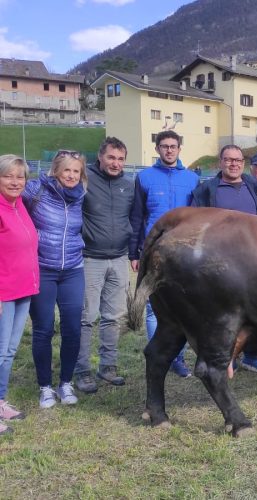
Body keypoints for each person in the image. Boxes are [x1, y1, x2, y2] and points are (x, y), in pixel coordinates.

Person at [191, 145, 257, 373]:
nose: (233, 164)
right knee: (221, 313)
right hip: (218, 261)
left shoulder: (254, 187)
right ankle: (223, 357)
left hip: (252, 261)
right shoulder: (207, 190)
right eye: (228, 160)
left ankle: (253, 355)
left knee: (253, 310)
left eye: (237, 160)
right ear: (220, 162)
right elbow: (196, 225)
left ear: (243, 163)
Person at [129, 130, 199, 378]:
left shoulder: (192, 179)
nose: (169, 150)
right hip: (153, 249)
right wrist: (134, 252)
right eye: (164, 146)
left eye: (173, 146)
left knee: (181, 306)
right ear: (157, 149)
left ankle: (177, 358)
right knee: (153, 307)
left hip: (182, 252)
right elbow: (137, 217)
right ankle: (159, 355)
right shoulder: (144, 177)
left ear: (180, 149)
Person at [24, 150, 87, 408]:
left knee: (73, 328)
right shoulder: (35, 190)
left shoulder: (81, 196)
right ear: (55, 170)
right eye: (67, 170)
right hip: (42, 269)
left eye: (76, 171)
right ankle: (45, 387)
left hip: (73, 269)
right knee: (44, 328)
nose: (71, 175)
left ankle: (66, 383)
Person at [74, 137, 134, 394]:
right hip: (90, 259)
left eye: (120, 159)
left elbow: (135, 217)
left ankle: (107, 366)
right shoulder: (84, 180)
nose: (116, 163)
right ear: (100, 157)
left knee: (113, 317)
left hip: (119, 258)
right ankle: (82, 370)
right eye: (111, 157)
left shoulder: (129, 185)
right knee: (86, 318)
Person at [0, 155, 38, 433]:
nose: (15, 181)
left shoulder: (19, 205)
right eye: (8, 176)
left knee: (10, 351)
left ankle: (0, 401)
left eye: (20, 176)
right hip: (3, 292)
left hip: (23, 289)